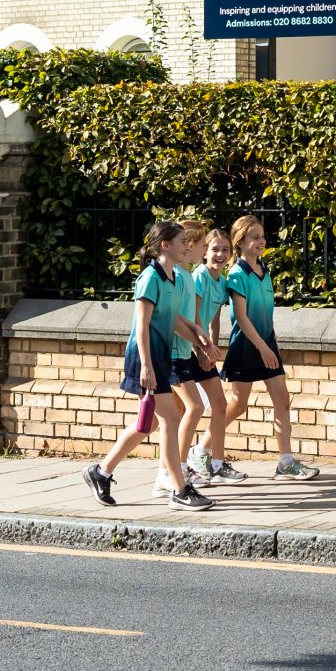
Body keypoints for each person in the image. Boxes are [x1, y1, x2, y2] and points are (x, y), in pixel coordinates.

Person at [81, 219, 213, 512]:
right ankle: (178, 488)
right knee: (170, 419)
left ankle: (101, 471)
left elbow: (171, 318)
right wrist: (146, 367)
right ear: (165, 245)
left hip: (159, 358)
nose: (188, 246)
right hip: (144, 359)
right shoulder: (150, 278)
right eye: (182, 242)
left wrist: (196, 331)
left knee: (150, 424)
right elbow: (141, 325)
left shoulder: (173, 278)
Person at [216, 213, 318, 480]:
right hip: (246, 347)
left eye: (262, 236)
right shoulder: (237, 274)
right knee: (238, 404)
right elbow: (241, 317)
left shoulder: (264, 270)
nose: (261, 241)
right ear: (240, 242)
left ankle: (286, 462)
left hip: (267, 345)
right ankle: (202, 450)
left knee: (282, 400)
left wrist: (268, 344)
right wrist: (261, 346)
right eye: (255, 237)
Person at [179, 227, 242, 484]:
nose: (220, 254)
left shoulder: (222, 282)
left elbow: (214, 320)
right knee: (187, 410)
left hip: (203, 348)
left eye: (225, 250)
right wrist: (201, 349)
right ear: (205, 251)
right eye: (215, 249)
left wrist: (212, 350)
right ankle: (179, 468)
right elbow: (194, 317)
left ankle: (216, 464)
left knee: (219, 404)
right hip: (189, 348)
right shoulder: (199, 276)